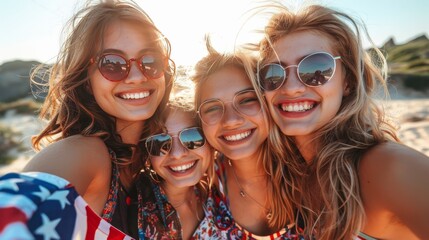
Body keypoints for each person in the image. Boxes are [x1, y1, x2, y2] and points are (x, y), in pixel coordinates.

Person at [255, 3, 429, 239]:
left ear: (347, 81)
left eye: (316, 67)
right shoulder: (289, 174)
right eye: (274, 73)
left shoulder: (389, 166)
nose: (292, 87)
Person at [14, 0, 175, 237]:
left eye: (150, 60)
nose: (137, 76)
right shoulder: (86, 152)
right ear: (86, 79)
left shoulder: (156, 157)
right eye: (112, 63)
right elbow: (15, 214)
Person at [192, 37, 304, 239]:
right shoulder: (199, 184)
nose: (231, 120)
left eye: (246, 100)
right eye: (213, 108)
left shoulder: (313, 170)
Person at [138, 97, 215, 239]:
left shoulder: (215, 192)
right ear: (147, 154)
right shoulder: (133, 207)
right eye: (160, 143)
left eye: (191, 137)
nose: (178, 154)